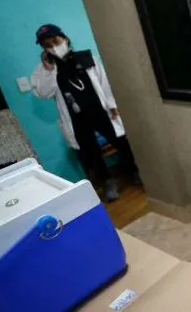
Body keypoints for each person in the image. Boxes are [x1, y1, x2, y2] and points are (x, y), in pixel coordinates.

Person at [31, 24, 139, 202]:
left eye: (55, 41)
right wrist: (49, 70)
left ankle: (134, 170)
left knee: (121, 141)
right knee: (91, 152)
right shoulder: (43, 70)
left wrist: (112, 104)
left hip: (100, 110)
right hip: (75, 119)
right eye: (47, 45)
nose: (53, 47)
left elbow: (104, 82)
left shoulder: (87, 58)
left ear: (64, 38)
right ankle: (108, 181)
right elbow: (43, 93)